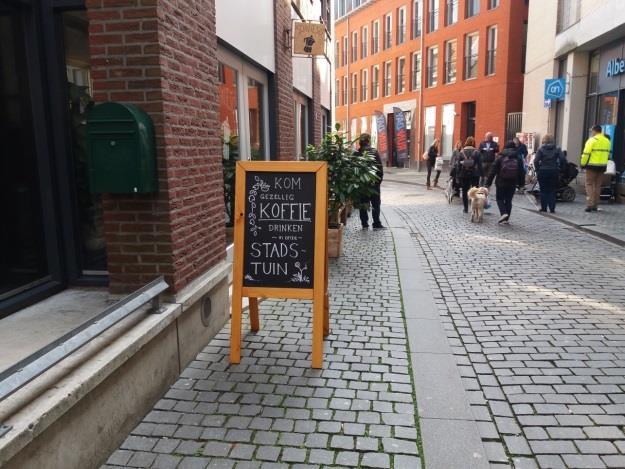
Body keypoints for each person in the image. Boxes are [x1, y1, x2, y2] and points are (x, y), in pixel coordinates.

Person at [486, 140, 525, 224]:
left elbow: (492, 171)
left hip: (501, 182)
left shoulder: (500, 157)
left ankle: (503, 213)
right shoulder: (518, 158)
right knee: (508, 200)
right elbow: (522, 172)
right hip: (512, 182)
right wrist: (522, 184)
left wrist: (488, 183)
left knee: (499, 198)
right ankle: (506, 219)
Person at [355, 133, 384, 229]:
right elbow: (380, 168)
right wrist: (378, 182)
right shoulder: (374, 152)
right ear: (368, 140)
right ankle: (376, 223)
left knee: (363, 204)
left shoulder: (356, 153)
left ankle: (364, 224)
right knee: (376, 203)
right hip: (373, 183)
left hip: (362, 184)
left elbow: (354, 170)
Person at [581, 125, 610, 212]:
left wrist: (583, 164)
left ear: (594, 131)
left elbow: (586, 154)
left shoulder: (592, 140)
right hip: (602, 167)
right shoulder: (607, 141)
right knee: (598, 185)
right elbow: (607, 154)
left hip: (591, 166)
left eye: (592, 131)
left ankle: (590, 204)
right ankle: (596, 205)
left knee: (589, 184)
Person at [533, 134, 565, 213]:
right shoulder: (557, 148)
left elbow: (536, 161)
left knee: (543, 190)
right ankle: (552, 208)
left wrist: (537, 170)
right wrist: (561, 169)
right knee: (552, 190)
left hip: (543, 171)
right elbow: (563, 159)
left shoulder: (540, 149)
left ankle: (544, 208)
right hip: (554, 171)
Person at [457, 137, 482, 214]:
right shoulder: (477, 152)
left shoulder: (461, 152)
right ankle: (474, 208)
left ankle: (465, 208)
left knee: (465, 191)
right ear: (473, 143)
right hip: (475, 174)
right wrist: (482, 174)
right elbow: (480, 164)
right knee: (475, 192)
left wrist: (458, 174)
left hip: (464, 174)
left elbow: (458, 165)